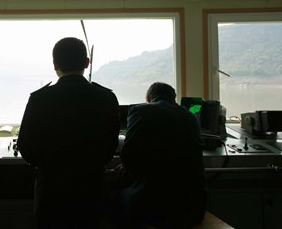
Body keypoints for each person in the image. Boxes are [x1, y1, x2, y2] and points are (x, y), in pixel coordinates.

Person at [17, 37, 121, 229]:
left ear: (55, 64)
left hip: (51, 192)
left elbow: (25, 146)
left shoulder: (39, 99)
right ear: (86, 63)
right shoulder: (106, 97)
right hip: (91, 190)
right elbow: (110, 146)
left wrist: (49, 164)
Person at [109, 82, 207, 229]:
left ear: (148, 97)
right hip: (194, 208)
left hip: (155, 209)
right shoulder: (190, 117)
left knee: (111, 198)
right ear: (174, 99)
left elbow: (128, 157)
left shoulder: (140, 111)